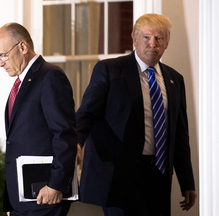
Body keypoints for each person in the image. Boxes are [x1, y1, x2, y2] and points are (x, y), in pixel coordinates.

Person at [76, 13, 196, 216]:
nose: (153, 44)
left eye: (159, 38)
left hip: (158, 175)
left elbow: (180, 136)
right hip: (119, 174)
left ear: (166, 43)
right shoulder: (110, 70)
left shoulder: (175, 79)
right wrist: (76, 142)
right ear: (135, 40)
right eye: (147, 37)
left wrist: (187, 183)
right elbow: (87, 113)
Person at [0, 23, 77, 216]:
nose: (0, 63)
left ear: (22, 47)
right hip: (24, 200)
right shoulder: (21, 82)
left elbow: (65, 134)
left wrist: (56, 185)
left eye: (3, 55)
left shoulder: (50, 76)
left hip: (45, 197)